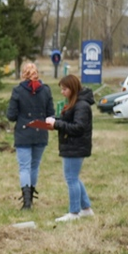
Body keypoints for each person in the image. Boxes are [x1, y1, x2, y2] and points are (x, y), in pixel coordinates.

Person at [6, 62, 54, 210]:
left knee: (24, 168)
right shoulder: (46, 90)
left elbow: (11, 116)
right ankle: (31, 197)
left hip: (23, 133)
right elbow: (50, 113)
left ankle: (27, 202)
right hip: (40, 132)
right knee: (34, 167)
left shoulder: (18, 91)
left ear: (23, 74)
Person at [48, 75, 94, 223]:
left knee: (71, 178)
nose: (62, 92)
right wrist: (55, 121)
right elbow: (69, 121)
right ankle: (86, 209)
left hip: (76, 146)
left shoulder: (82, 106)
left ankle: (74, 212)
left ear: (72, 89)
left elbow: (78, 127)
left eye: (65, 89)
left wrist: (57, 125)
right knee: (74, 177)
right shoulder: (76, 103)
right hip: (72, 145)